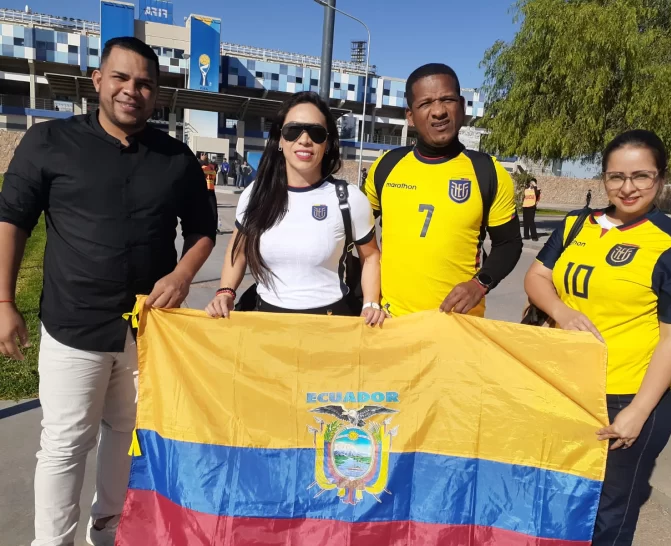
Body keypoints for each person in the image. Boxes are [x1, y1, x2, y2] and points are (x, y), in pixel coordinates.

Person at [0, 37, 216, 546]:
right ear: (98, 81)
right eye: (121, 78)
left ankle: (110, 529)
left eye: (144, 83)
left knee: (129, 437)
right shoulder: (49, 143)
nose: (131, 90)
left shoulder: (177, 158)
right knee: (65, 443)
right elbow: (12, 220)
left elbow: (204, 229)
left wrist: (183, 274)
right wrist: (5, 302)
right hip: (74, 324)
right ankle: (52, 541)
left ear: (156, 94)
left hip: (150, 329)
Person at [524, 130, 671, 546]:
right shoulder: (573, 225)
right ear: (603, 178)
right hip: (565, 389)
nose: (628, 188)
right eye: (616, 176)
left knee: (608, 518)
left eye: (641, 176)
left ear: (660, 177)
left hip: (626, 396)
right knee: (555, 502)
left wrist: (638, 412)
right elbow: (537, 278)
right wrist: (563, 313)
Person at [205, 91, 385, 325]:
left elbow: (371, 256)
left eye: (316, 132)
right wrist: (225, 292)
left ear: (328, 143)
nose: (304, 139)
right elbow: (238, 251)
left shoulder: (349, 198)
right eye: (293, 131)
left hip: (331, 327)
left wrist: (371, 303)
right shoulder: (255, 195)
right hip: (267, 324)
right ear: (280, 139)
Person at [364, 63, 522, 318]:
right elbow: (357, 237)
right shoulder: (386, 166)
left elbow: (509, 243)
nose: (438, 111)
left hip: (458, 326)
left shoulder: (488, 171)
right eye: (425, 103)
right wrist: (366, 300)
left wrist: (480, 283)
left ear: (461, 106)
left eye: (447, 99)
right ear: (410, 116)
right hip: (391, 322)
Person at [199, 153, 220, 234]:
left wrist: (202, 160)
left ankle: (210, 228)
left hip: (208, 190)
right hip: (207, 190)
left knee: (209, 210)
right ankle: (211, 228)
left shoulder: (207, 168)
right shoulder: (209, 170)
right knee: (210, 210)